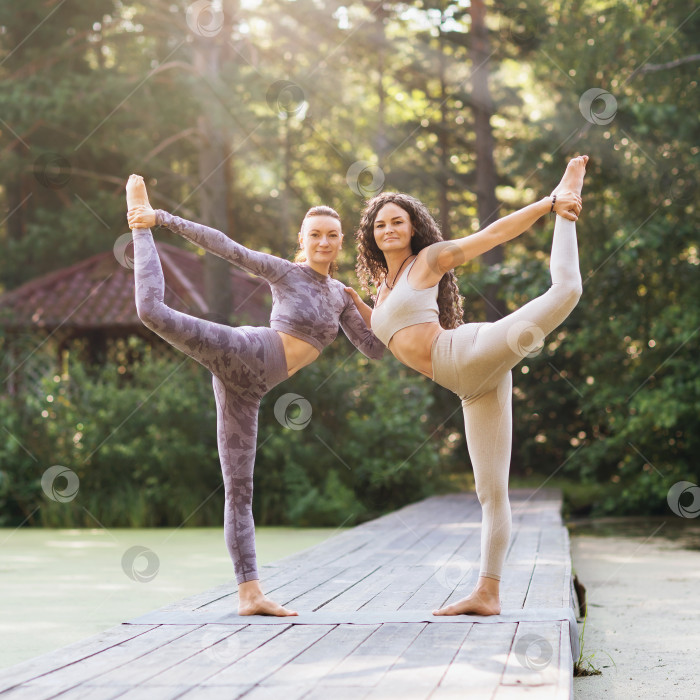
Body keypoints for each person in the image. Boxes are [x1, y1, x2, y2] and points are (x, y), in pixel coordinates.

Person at [125, 175, 384, 617]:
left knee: (239, 491)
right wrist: (161, 219)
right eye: (314, 235)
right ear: (302, 239)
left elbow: (376, 349)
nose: (323, 242)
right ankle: (139, 223)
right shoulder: (287, 272)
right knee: (152, 312)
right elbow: (229, 248)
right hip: (245, 349)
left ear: (341, 242)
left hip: (250, 388)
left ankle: (250, 594)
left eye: (332, 235)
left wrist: (361, 302)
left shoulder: (341, 296)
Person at [348, 156, 587, 616]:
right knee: (491, 492)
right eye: (380, 225)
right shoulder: (382, 287)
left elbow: (492, 235)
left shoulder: (429, 260)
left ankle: (566, 204)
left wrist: (546, 204)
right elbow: (378, 341)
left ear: (413, 228)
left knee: (566, 292)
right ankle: (488, 593)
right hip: (470, 387)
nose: (389, 229)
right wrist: (348, 300)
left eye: (397, 221)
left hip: (470, 351)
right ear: (371, 236)